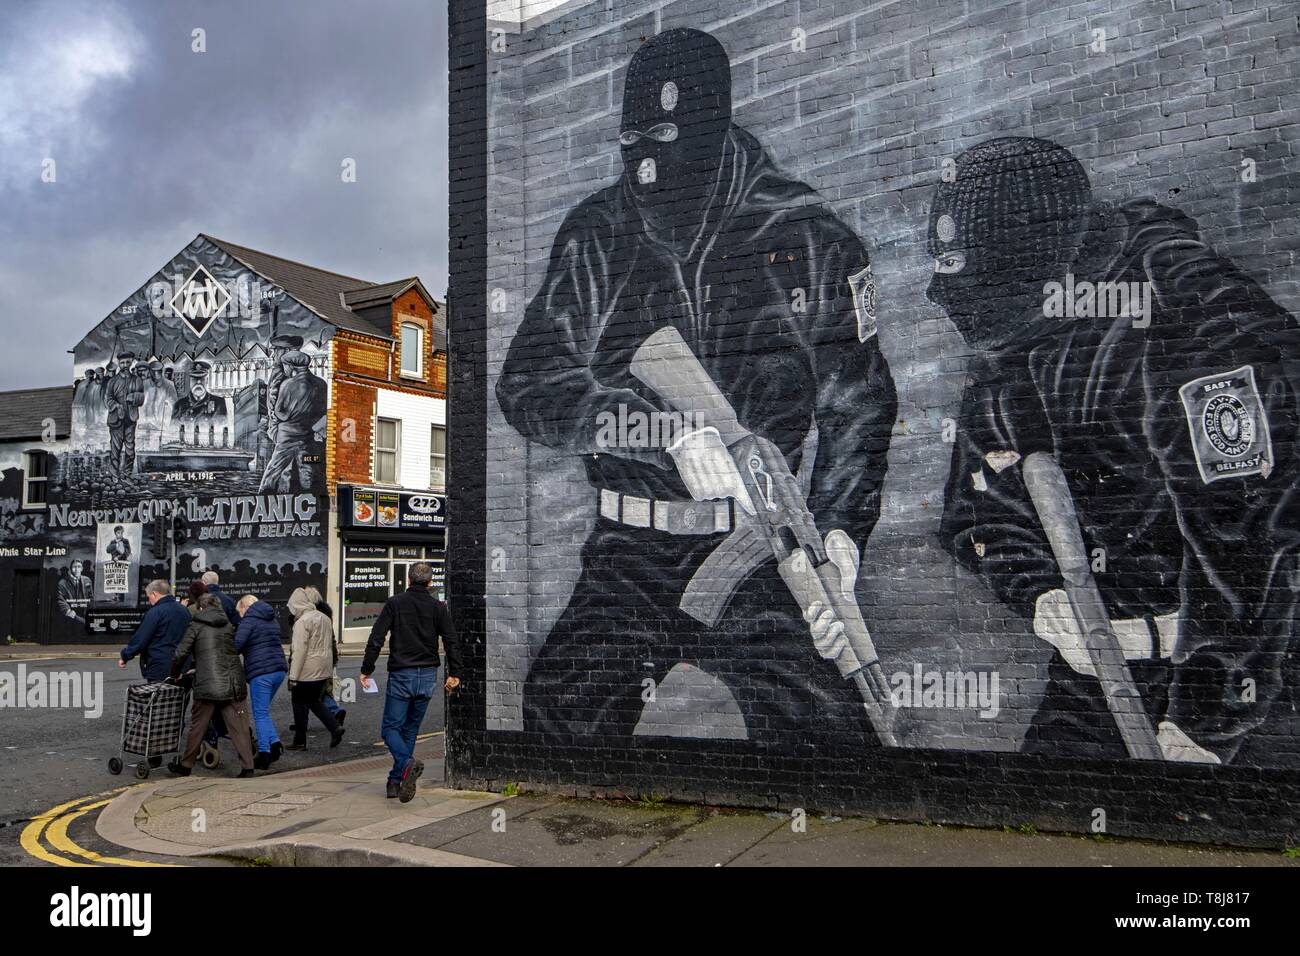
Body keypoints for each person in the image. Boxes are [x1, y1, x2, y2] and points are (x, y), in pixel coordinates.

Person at [496, 27, 896, 745]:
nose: (644, 162)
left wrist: (838, 533)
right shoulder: (597, 234)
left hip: (758, 542)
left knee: (833, 733)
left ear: (712, 125)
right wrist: (662, 433)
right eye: (630, 138)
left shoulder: (807, 237)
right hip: (627, 550)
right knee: (559, 715)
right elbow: (529, 382)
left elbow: (857, 402)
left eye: (664, 134)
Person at [931, 136, 1300, 765]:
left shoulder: (1198, 332)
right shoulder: (1015, 336)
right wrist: (1043, 596)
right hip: (1111, 662)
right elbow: (978, 507)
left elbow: (1255, 546)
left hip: (1257, 665)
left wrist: (1203, 726)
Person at [360, 562, 462, 802]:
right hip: (427, 675)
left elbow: (377, 637)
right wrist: (455, 672)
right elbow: (451, 640)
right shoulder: (438, 607)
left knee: (390, 729)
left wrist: (367, 669)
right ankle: (395, 782)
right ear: (429, 583)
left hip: (402, 673)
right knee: (410, 730)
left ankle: (406, 764)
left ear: (408, 580)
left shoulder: (395, 603)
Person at [167, 593, 255, 778]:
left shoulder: (196, 626)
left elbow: (180, 653)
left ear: (200, 608)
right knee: (239, 726)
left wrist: (175, 674)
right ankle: (248, 766)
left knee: (198, 725)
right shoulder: (228, 625)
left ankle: (186, 765)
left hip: (209, 682)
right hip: (232, 681)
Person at [259, 350, 327, 493]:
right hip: (308, 436)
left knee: (273, 470)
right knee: (307, 471)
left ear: (291, 366)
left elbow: (280, 413)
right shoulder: (321, 384)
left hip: (287, 437)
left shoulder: (288, 384)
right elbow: (323, 411)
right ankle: (311, 505)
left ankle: (263, 497)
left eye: (285, 366)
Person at [285, 587, 344, 750]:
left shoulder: (302, 622)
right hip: (323, 668)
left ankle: (300, 740)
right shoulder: (324, 617)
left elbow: (299, 650)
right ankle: (333, 727)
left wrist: (293, 677)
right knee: (314, 700)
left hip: (306, 670)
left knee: (299, 702)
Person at [235, 595, 289, 769]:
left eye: (240, 611)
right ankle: (275, 745)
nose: (240, 615)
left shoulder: (249, 621)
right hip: (279, 669)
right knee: (264, 711)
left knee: (260, 713)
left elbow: (236, 645)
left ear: (245, 607)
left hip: (261, 672)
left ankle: (264, 755)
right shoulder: (271, 619)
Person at [119, 579, 192, 681]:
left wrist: (125, 655)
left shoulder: (154, 612)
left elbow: (141, 639)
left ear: (154, 594)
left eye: (149, 597)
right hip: (184, 666)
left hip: (161, 666)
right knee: (181, 695)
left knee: (161, 696)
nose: (149, 601)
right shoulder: (184, 610)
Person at [104, 351, 145, 475]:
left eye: (128, 362)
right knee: (115, 449)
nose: (125, 365)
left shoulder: (137, 380)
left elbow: (141, 398)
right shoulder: (112, 381)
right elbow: (108, 399)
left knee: (130, 449)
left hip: (130, 419)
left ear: (132, 362)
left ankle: (127, 473)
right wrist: (116, 406)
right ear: (118, 364)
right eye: (122, 363)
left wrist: (132, 397)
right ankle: (114, 474)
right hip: (116, 420)